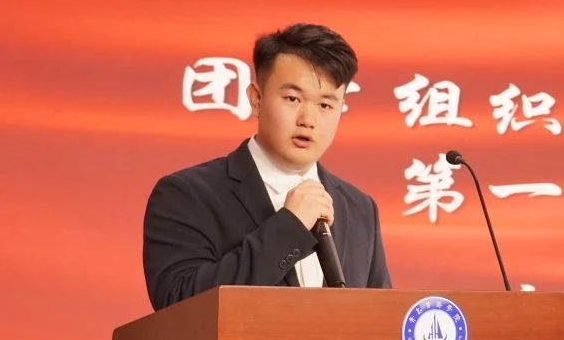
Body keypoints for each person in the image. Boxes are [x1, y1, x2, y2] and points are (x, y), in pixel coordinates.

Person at [143, 23, 391, 310]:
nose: (308, 120)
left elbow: (379, 318)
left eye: (325, 105)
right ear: (256, 99)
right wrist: (290, 227)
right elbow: (178, 303)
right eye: (293, 99)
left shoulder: (359, 208)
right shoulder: (186, 195)